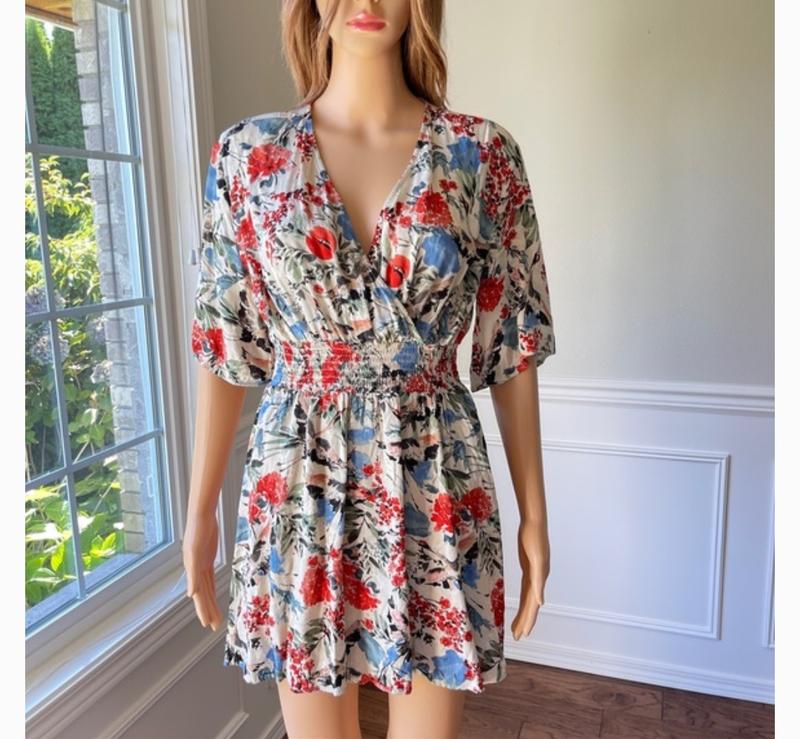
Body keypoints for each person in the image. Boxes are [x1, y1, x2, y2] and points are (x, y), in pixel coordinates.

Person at [183, 1, 556, 737]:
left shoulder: (481, 155)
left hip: (434, 476)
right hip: (298, 484)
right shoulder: (246, 157)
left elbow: (511, 346)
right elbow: (226, 345)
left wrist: (534, 515)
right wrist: (199, 514)